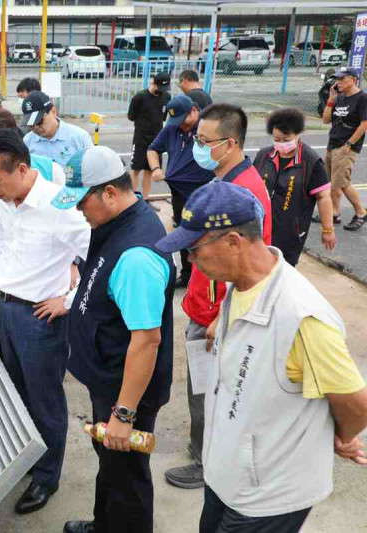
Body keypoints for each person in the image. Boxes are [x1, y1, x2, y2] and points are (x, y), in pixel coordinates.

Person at [156, 180, 367, 533]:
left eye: (194, 250)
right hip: (227, 473)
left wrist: (341, 436)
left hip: (268, 494)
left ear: (234, 242)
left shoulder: (302, 317)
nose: (190, 261)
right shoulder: (240, 284)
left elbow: (355, 401)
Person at [55, 147, 176, 533]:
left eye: (81, 201)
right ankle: (103, 524)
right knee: (111, 464)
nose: (78, 211)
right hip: (109, 376)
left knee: (127, 477)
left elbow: (147, 341)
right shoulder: (116, 223)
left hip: (126, 388)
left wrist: (124, 414)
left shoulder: (136, 255)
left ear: (109, 193)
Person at [0, 129, 90, 514]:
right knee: (18, 395)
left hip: (40, 317)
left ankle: (46, 477)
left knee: (45, 401)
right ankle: (28, 457)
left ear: (22, 169)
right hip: (7, 310)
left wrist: (70, 299)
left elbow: (97, 255)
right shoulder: (5, 200)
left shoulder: (59, 206)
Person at [164, 102, 272, 491]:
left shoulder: (247, 194)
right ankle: (206, 452)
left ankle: (206, 462)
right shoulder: (222, 182)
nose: (197, 146)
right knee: (203, 388)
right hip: (202, 305)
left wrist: (219, 317)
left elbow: (253, 267)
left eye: (203, 141)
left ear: (228, 144)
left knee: (211, 392)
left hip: (215, 315)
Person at [0, 109, 67, 359]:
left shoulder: (50, 172)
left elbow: (72, 229)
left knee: (42, 348)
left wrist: (71, 271)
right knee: (4, 344)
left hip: (43, 277)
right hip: (2, 278)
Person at [147, 94, 215, 288]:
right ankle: (187, 275)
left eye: (183, 119)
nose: (181, 125)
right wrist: (156, 168)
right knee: (184, 233)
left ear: (194, 111)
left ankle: (205, 278)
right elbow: (153, 149)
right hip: (178, 191)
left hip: (203, 191)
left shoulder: (207, 128)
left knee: (204, 235)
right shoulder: (172, 128)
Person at [254, 107, 336, 266]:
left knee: (281, 273)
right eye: (277, 139)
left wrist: (328, 230)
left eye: (286, 139)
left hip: (289, 233)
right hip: (259, 229)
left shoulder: (311, 162)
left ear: (298, 134)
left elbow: (324, 197)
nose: (281, 143)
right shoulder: (263, 156)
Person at [321, 67, 367, 231]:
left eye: (342, 79)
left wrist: (349, 145)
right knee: (331, 182)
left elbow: (364, 124)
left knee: (342, 182)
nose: (338, 82)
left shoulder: (362, 98)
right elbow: (326, 120)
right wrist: (331, 100)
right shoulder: (339, 98)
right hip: (333, 142)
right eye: (337, 79)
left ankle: (361, 212)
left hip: (346, 146)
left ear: (353, 80)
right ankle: (334, 213)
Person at [127, 72, 171, 210]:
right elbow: (131, 116)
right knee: (136, 169)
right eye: (160, 87)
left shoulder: (166, 97)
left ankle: (145, 200)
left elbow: (163, 117)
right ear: (154, 83)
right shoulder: (139, 98)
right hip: (141, 138)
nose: (161, 91)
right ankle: (134, 200)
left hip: (157, 139)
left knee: (149, 170)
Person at [21, 90, 93, 168]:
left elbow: (92, 167)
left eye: (39, 121)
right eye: (30, 124)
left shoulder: (79, 137)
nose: (35, 127)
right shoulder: (28, 141)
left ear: (53, 112)